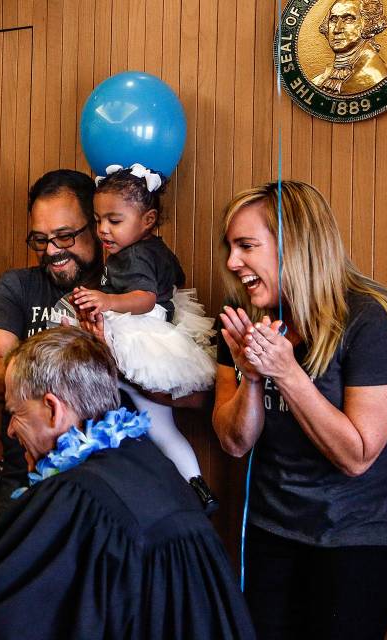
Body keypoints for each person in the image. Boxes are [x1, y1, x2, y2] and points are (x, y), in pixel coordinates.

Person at [0, 327, 254, 639]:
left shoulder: (76, 495)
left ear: (52, 408)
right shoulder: (146, 463)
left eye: (15, 412)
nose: (10, 430)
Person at [214, 180, 387, 640]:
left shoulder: (369, 318)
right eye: (230, 247)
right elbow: (233, 443)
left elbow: (357, 455)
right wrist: (250, 377)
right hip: (270, 533)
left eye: (247, 246)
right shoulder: (241, 320)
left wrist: (286, 372)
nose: (234, 263)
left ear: (294, 245)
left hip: (356, 540)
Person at [0, 169, 103, 513]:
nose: (52, 251)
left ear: (97, 227)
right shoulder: (18, 287)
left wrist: (20, 371)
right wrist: (57, 367)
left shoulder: (126, 291)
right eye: (40, 239)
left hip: (106, 483)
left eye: (65, 237)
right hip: (25, 482)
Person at [71, 163, 216, 495]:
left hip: (141, 335)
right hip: (160, 334)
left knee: (155, 425)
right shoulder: (156, 249)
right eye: (98, 221)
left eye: (115, 221)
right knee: (161, 428)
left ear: (147, 220)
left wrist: (106, 301)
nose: (103, 230)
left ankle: (195, 490)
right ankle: (196, 488)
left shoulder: (132, 257)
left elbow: (146, 299)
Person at [312, 0, 387, 95]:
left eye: (348, 19)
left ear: (368, 23)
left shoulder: (378, 78)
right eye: (333, 19)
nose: (337, 29)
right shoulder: (318, 81)